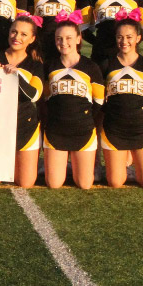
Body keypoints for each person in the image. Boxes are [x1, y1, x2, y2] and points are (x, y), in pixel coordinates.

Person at [100, 10, 143, 189]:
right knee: (115, 182)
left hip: (141, 129)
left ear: (138, 38)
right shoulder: (106, 64)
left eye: (129, 37)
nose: (124, 41)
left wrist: (141, 113)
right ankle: (121, 167)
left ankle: (137, 168)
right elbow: (97, 98)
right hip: (114, 129)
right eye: (120, 37)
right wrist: (112, 112)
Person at [43, 11, 104, 189]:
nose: (63, 42)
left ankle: (74, 164)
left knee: (84, 184)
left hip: (82, 130)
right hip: (56, 130)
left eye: (69, 38)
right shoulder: (49, 66)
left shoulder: (91, 67)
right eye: (59, 38)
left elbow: (99, 101)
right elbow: (45, 99)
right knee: (54, 183)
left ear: (78, 39)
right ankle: (60, 164)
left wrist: (84, 119)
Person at [0, 14, 44, 188]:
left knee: (25, 182)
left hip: (25, 124)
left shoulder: (35, 64)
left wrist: (16, 75)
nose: (17, 37)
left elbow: (34, 95)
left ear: (32, 39)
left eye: (24, 34)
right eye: (14, 32)